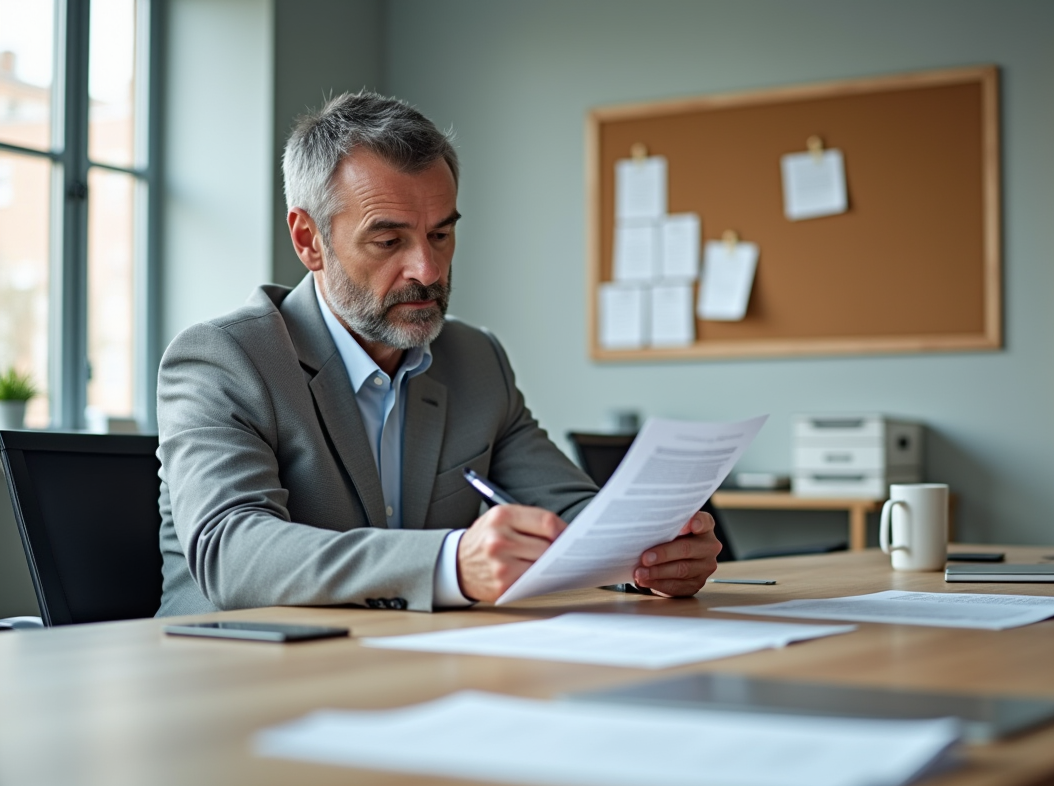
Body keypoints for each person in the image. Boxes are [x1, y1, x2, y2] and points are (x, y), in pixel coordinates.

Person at [155, 91, 721, 615]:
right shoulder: (224, 359)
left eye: (441, 235)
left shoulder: (476, 361)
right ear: (309, 241)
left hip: (412, 670)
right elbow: (231, 552)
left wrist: (649, 555)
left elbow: (573, 518)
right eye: (388, 241)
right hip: (236, 676)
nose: (427, 270)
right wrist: (449, 564)